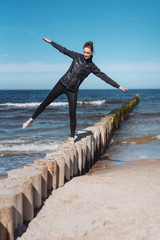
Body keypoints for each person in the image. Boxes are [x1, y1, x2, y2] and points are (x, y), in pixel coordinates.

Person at [23, 38, 128, 145]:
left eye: (88, 53)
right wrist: (51, 42)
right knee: (46, 102)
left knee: (72, 113)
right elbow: (64, 50)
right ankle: (31, 119)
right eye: (84, 52)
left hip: (73, 90)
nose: (85, 54)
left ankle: (72, 137)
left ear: (92, 53)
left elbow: (103, 77)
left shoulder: (92, 67)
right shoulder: (77, 56)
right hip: (62, 84)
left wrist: (118, 86)